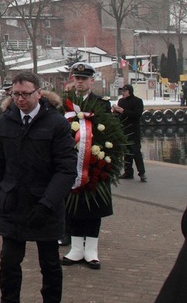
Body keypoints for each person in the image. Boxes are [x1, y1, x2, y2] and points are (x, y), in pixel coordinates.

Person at [0, 71, 77, 303]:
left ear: (39, 92)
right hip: (13, 203)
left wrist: (47, 204)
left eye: (25, 94)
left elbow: (66, 169)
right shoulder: (7, 120)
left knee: (49, 264)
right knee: (8, 263)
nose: (20, 99)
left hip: (44, 205)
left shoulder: (56, 123)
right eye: (15, 94)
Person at [62, 62, 114, 270]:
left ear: (92, 80)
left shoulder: (101, 104)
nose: (80, 82)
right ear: (73, 80)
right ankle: (76, 248)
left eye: (84, 79)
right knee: (73, 206)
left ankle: (91, 250)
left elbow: (109, 133)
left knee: (94, 206)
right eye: (77, 78)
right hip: (71, 165)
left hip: (95, 164)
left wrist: (100, 158)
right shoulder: (66, 103)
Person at [112, 84, 146, 182]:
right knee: (126, 153)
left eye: (124, 91)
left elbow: (137, 114)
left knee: (136, 152)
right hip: (124, 130)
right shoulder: (121, 101)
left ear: (129, 91)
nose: (122, 93)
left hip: (134, 131)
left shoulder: (138, 101)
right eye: (122, 91)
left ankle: (142, 173)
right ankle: (128, 172)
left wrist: (123, 110)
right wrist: (115, 111)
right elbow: (119, 116)